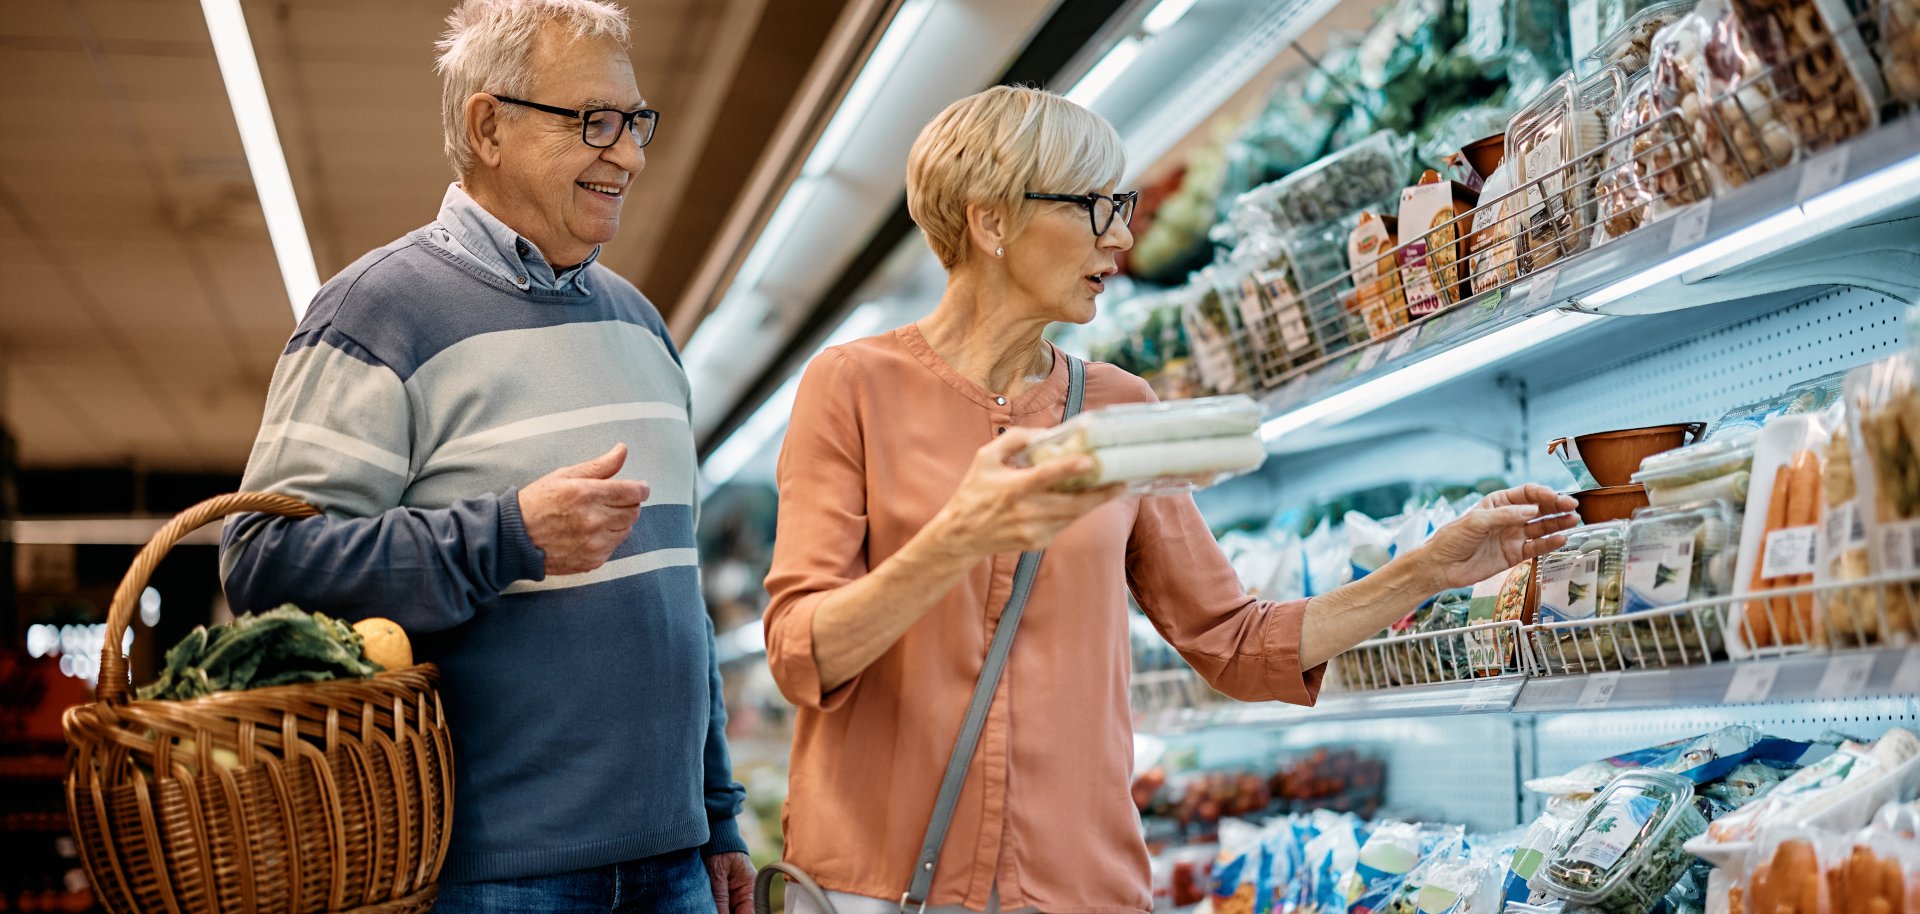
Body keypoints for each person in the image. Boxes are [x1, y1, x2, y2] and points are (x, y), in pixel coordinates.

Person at [761, 85, 1578, 914]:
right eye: (1095, 205)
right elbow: (802, 654)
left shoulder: (1116, 407)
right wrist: (958, 537)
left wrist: (1428, 569)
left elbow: (1235, 642)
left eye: (1124, 205)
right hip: (876, 883)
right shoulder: (853, 386)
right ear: (991, 220)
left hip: (1073, 889)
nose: (1121, 233)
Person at [219, 1, 754, 911]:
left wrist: (718, 812)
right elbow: (264, 565)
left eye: (634, 123)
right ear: (488, 125)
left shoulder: (643, 326)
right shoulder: (376, 315)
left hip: (676, 866)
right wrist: (505, 538)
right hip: (492, 872)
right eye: (595, 122)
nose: (627, 154)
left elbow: (679, 597)